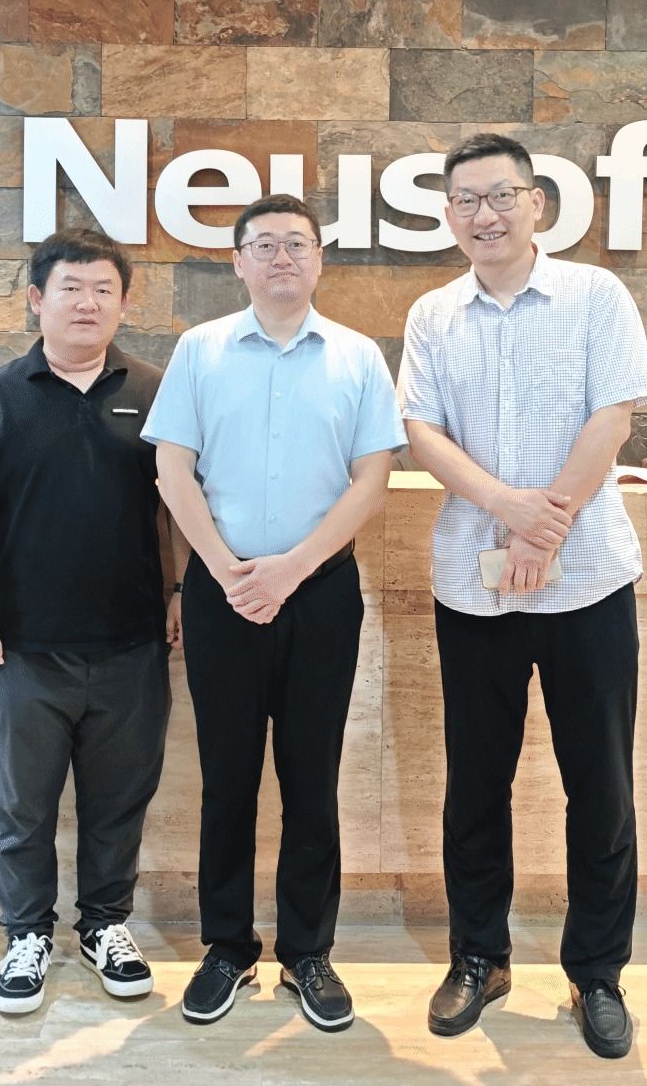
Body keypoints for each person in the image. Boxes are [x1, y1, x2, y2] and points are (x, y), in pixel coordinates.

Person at [397, 133, 647, 1060]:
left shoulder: (595, 296)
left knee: (601, 786)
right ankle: (480, 956)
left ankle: (598, 973)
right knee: (476, 783)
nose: (485, 215)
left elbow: (613, 416)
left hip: (588, 580)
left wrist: (544, 529)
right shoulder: (433, 315)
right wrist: (508, 510)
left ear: (537, 203)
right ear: (448, 215)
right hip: (475, 590)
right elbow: (422, 432)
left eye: (501, 195)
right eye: (466, 200)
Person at [141, 194, 405, 1032]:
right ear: (238, 262)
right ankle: (227, 947)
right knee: (227, 779)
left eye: (297, 243)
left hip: (320, 594)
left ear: (320, 259)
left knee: (310, 778)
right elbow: (173, 471)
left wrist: (292, 569)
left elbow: (371, 481)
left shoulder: (357, 356)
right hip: (223, 592)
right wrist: (224, 570)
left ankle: (307, 952)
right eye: (264, 245)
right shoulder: (200, 350)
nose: (281, 257)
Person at [0, 228, 181, 1016]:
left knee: (120, 800)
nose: (88, 302)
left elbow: (181, 502)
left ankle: (106, 925)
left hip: (132, 642)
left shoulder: (156, 391)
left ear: (123, 303)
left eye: (104, 289)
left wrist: (181, 592)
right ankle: (27, 934)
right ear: (37, 300)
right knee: (23, 804)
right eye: (71, 288)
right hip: (24, 645)